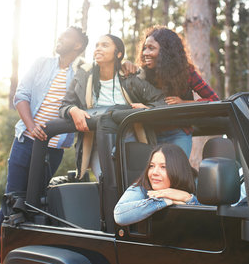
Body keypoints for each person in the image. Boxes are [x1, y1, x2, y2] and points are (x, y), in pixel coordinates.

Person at [27, 34, 165, 231]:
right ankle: (111, 232)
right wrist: (73, 110)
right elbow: (65, 105)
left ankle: (140, 233)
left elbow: (159, 100)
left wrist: (146, 107)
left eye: (105, 45)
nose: (98, 48)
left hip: (130, 141)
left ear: (118, 54)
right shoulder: (84, 75)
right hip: (98, 144)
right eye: (97, 45)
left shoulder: (130, 77)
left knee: (135, 188)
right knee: (109, 187)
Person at [0, 27, 88, 264]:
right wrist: (32, 127)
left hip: (53, 151)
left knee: (35, 206)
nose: (60, 38)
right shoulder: (41, 64)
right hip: (24, 143)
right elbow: (22, 96)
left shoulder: (82, 74)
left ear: (77, 46)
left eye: (66, 37)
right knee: (11, 202)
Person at [132, 26, 220, 156]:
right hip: (151, 135)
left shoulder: (186, 73)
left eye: (151, 48)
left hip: (178, 134)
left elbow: (214, 100)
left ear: (166, 52)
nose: (145, 53)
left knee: (176, 172)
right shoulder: (143, 75)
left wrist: (183, 102)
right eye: (145, 48)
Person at [114, 143, 200, 226]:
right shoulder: (141, 186)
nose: (154, 172)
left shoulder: (195, 183)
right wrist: (165, 200)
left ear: (177, 170)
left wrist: (187, 198)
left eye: (163, 167)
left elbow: (209, 217)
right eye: (151, 166)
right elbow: (120, 215)